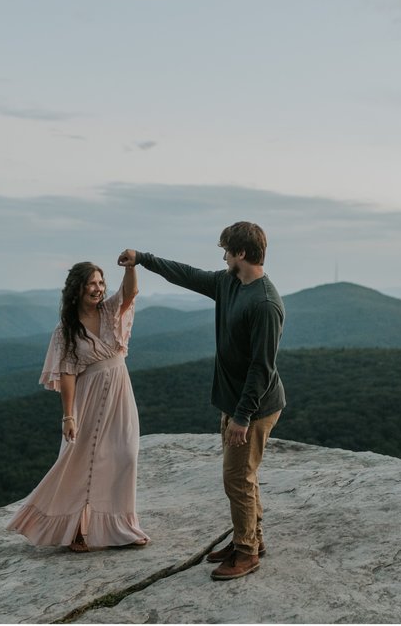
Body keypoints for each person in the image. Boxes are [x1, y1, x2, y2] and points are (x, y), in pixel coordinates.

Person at [118, 221, 285, 580]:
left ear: (241, 253)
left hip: (254, 408)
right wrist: (143, 259)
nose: (223, 256)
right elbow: (188, 275)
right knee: (244, 476)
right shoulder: (229, 283)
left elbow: (262, 369)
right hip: (236, 403)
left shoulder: (266, 304)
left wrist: (241, 417)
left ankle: (246, 553)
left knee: (237, 479)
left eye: (225, 249)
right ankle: (250, 538)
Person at [6, 261, 150, 552]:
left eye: (100, 283)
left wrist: (132, 264)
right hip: (89, 397)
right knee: (81, 461)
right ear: (78, 289)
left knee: (126, 455)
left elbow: (131, 292)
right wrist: (68, 415)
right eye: (91, 284)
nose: (97, 289)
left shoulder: (110, 311)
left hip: (120, 393)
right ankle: (77, 531)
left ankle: (120, 527)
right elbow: (68, 374)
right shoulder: (66, 331)